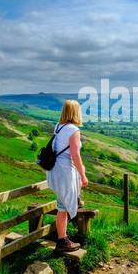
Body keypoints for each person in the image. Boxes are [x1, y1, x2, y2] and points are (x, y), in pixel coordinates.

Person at [47, 100, 88, 253]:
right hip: (64, 172)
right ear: (76, 113)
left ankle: (76, 199)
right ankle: (62, 241)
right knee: (62, 208)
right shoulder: (73, 130)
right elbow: (76, 156)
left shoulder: (59, 126)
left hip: (57, 169)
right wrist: (83, 177)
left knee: (62, 204)